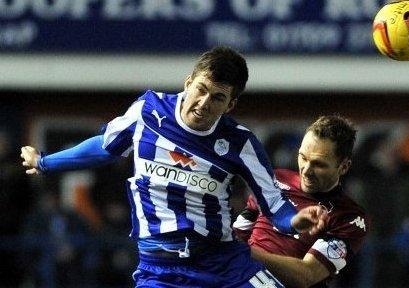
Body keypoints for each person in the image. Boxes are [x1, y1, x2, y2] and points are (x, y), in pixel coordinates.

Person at [20, 46, 327, 288]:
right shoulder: (148, 111)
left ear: (230, 105)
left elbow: (274, 204)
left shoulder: (240, 144)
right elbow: (104, 147)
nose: (205, 102)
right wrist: (44, 162)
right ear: (188, 82)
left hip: (222, 264)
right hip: (161, 269)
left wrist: (295, 219)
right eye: (201, 89)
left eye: (218, 97)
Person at [233, 115, 369, 288]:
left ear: (343, 166)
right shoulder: (275, 180)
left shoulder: (350, 217)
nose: (306, 170)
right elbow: (238, 234)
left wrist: (243, 251)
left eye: (319, 164)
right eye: (303, 157)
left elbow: (306, 275)